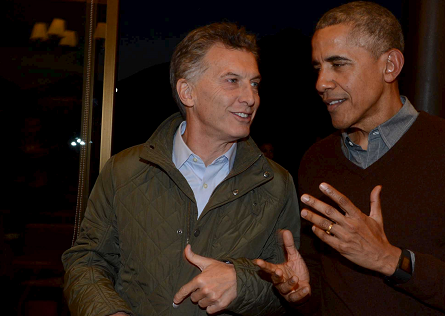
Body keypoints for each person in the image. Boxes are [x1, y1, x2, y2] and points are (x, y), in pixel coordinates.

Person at [258, 2, 445, 315]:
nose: (321, 83)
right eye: (318, 68)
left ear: (390, 65)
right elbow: (319, 285)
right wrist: (299, 292)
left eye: (338, 64)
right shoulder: (317, 159)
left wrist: (390, 260)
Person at [62, 22, 300, 316]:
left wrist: (242, 282)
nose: (250, 98)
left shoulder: (276, 184)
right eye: (232, 81)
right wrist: (109, 312)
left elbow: (288, 287)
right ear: (187, 92)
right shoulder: (124, 171)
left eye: (254, 83)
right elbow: (87, 261)